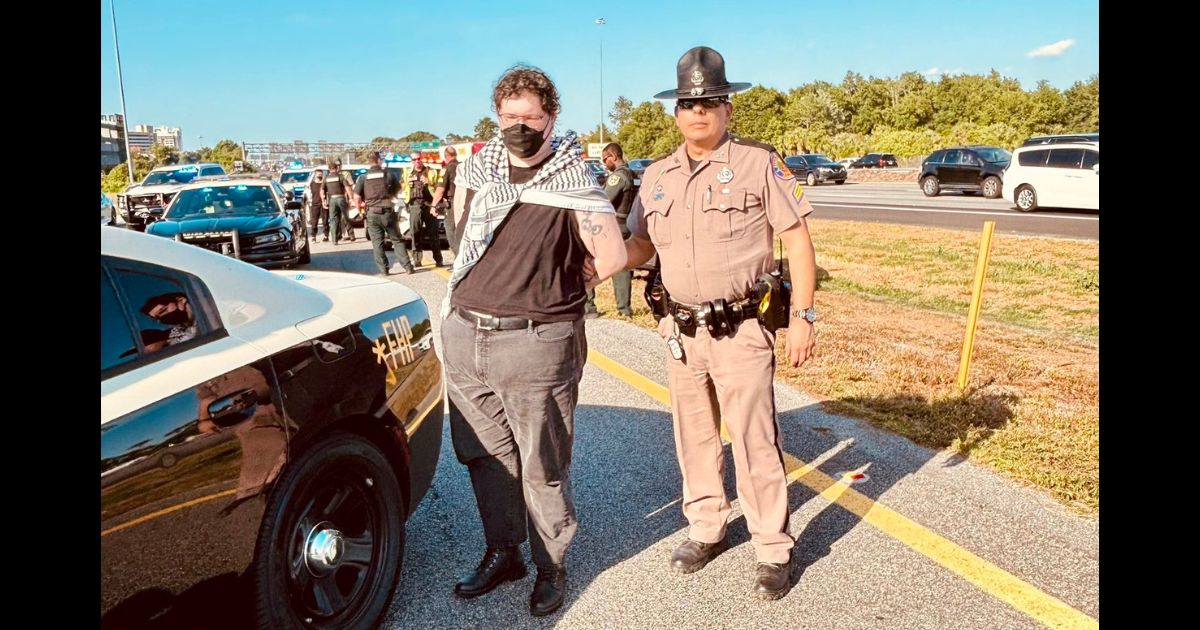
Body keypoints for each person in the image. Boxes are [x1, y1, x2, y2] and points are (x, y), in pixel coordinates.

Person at [620, 46, 817, 601]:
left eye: (710, 101)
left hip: (741, 328)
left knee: (755, 438)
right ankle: (707, 526)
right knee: (695, 438)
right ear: (675, 112)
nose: (698, 112)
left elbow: (798, 243)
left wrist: (803, 316)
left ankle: (772, 544)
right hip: (681, 332)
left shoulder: (758, 163)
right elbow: (639, 245)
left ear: (728, 108)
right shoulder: (655, 176)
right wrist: (599, 253)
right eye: (688, 102)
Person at [441, 65, 626, 617]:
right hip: (466, 331)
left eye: (529, 117)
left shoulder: (572, 179)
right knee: (484, 456)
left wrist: (566, 287)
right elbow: (460, 238)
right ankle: (504, 553)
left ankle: (551, 565)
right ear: (497, 118)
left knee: (541, 462)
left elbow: (613, 256)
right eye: (509, 117)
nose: (518, 126)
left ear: (551, 119)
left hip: (537, 340)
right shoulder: (477, 172)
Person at [584, 142, 636, 317]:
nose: (605, 164)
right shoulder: (633, 174)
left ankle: (588, 307)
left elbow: (604, 200)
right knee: (622, 267)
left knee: (589, 259)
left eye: (605, 160)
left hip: (614, 226)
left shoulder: (618, 177)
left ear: (613, 157)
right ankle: (624, 309)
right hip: (628, 225)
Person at [353, 152, 413, 276]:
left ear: (369, 161)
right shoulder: (388, 174)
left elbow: (356, 197)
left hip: (372, 212)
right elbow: (397, 189)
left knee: (377, 242)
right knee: (397, 239)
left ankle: (384, 270)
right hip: (387, 211)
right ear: (379, 160)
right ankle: (408, 267)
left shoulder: (363, 178)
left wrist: (360, 210)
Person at [407, 158, 442, 267]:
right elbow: (401, 187)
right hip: (415, 205)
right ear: (412, 161)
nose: (417, 161)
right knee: (415, 232)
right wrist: (407, 183)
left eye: (419, 159)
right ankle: (417, 259)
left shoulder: (431, 171)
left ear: (422, 160)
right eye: (414, 159)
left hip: (429, 204)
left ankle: (438, 259)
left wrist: (429, 182)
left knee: (433, 234)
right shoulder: (407, 172)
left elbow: (440, 187)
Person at [430, 146, 460, 254]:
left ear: (446, 156)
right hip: (464, 202)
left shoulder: (446, 169)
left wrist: (433, 206)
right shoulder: (462, 166)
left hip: (452, 204)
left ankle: (459, 260)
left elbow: (440, 190)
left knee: (451, 231)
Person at [322, 160, 356, 244]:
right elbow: (347, 188)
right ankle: (351, 236)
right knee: (345, 217)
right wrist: (351, 198)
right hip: (341, 199)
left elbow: (322, 190)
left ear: (329, 169)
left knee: (333, 220)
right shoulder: (340, 177)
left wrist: (323, 200)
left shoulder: (326, 178)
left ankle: (334, 240)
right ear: (336, 168)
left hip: (332, 200)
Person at [307, 170, 329, 242]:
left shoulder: (324, 184)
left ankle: (326, 236)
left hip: (324, 204)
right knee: (314, 221)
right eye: (318, 174)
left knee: (325, 221)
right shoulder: (311, 184)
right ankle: (313, 236)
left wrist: (326, 201)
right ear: (315, 175)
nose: (320, 175)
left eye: (321, 174)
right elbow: (308, 193)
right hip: (315, 204)